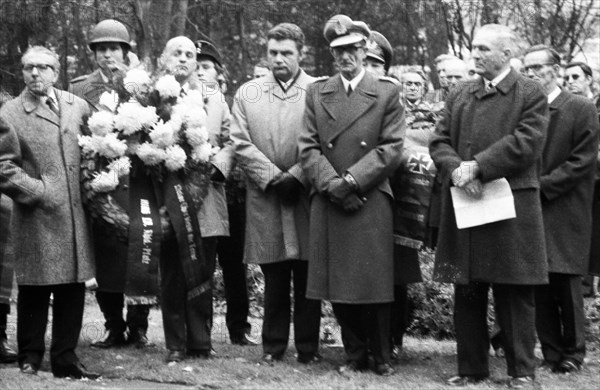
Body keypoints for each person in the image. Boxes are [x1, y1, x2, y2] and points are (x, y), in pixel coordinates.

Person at [429, 24, 549, 388]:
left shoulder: (530, 92)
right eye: (473, 48)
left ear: (507, 54)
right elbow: (439, 140)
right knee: (467, 287)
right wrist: (457, 169)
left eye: (483, 49)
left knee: (514, 290)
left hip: (511, 204)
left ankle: (522, 372)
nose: (475, 55)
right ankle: (471, 368)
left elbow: (526, 142)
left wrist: (478, 165)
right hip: (467, 199)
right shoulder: (461, 92)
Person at [299, 15, 405, 376]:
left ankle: (381, 355)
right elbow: (308, 148)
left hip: (370, 195)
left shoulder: (387, 91)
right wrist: (334, 185)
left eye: (353, 49)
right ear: (332, 54)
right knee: (339, 280)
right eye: (338, 51)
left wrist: (353, 181)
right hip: (331, 197)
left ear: (365, 49)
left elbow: (391, 148)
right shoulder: (317, 92)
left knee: (373, 282)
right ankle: (355, 354)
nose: (346, 57)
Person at [0, 46, 98, 379]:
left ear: (56, 72)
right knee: (36, 287)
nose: (35, 74)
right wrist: (39, 191)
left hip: (75, 215)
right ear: (22, 72)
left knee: (72, 286)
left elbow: (97, 148)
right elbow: (3, 167)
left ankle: (66, 359)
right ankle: (30, 356)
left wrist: (96, 184)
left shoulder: (77, 105)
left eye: (43, 67)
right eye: (29, 68)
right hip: (37, 214)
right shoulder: (11, 112)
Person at [230, 23, 322, 365]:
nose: (279, 59)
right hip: (266, 196)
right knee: (275, 274)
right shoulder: (248, 92)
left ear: (301, 54)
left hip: (306, 194)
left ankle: (309, 347)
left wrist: (298, 174)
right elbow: (239, 141)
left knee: (308, 273)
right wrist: (271, 176)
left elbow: (324, 141)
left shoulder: (317, 89)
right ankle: (273, 346)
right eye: (273, 53)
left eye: (286, 53)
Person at [70, 18, 156, 350]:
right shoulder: (78, 89)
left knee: (142, 251)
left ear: (125, 51)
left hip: (137, 182)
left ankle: (139, 327)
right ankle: (113, 326)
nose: (108, 55)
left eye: (114, 48)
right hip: (100, 185)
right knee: (106, 260)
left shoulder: (142, 86)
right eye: (102, 49)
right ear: (94, 53)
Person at [156, 36, 233, 363]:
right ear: (165, 59)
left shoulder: (215, 100)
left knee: (203, 271)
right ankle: (175, 342)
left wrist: (218, 166)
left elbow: (231, 141)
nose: (185, 59)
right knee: (173, 273)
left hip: (207, 200)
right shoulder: (152, 98)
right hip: (168, 200)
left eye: (190, 55)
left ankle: (201, 341)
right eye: (178, 53)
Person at [523, 44, 599, 374]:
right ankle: (550, 350)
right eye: (526, 69)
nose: (530, 74)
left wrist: (542, 187)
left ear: (555, 70)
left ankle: (573, 351)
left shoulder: (580, 107)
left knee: (566, 282)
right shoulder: (526, 108)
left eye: (536, 68)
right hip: (531, 206)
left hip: (565, 207)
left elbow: (582, 161)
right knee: (538, 282)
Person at [194, 39, 252, 346]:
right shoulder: (183, 100)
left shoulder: (230, 103)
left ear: (219, 72)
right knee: (202, 262)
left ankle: (239, 329)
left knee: (234, 265)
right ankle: (200, 328)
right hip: (200, 194)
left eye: (206, 67)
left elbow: (236, 140)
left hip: (231, 192)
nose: (201, 73)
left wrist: (221, 163)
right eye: (197, 67)